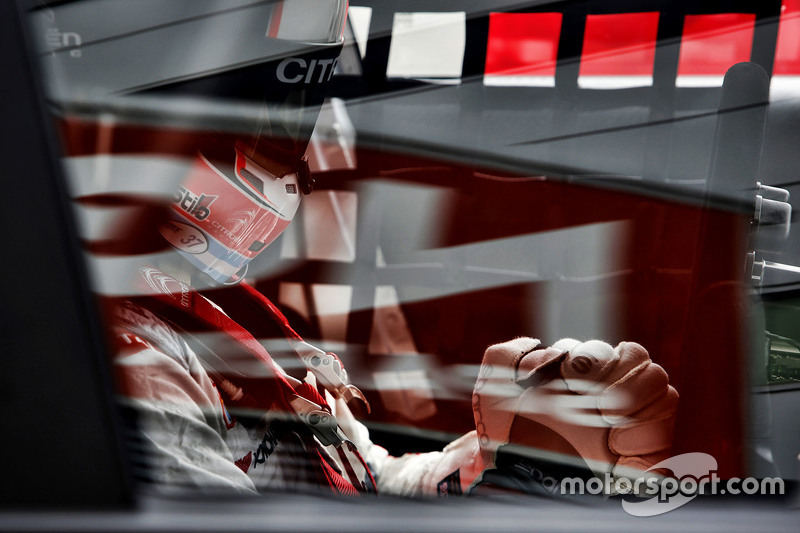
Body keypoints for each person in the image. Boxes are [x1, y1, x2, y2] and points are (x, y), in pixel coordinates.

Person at [46, 0, 679, 498]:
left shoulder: (209, 299)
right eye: (258, 114)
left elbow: (364, 475)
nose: (288, 154)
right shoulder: (127, 354)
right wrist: (504, 498)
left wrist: (500, 455)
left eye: (297, 117)